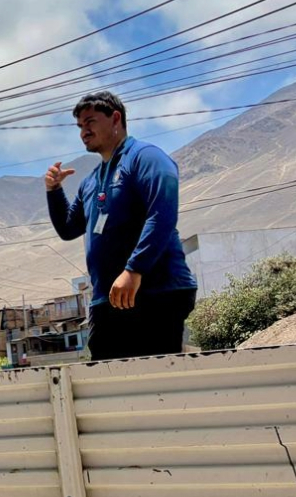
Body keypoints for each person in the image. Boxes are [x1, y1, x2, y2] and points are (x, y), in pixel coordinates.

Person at [44, 91, 198, 360]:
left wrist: (134, 269)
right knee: (109, 381)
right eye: (80, 126)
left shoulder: (146, 157)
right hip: (107, 301)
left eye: (90, 122)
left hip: (154, 293)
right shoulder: (91, 181)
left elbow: (162, 214)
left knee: (153, 378)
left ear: (115, 118)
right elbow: (68, 229)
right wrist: (54, 190)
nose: (83, 132)